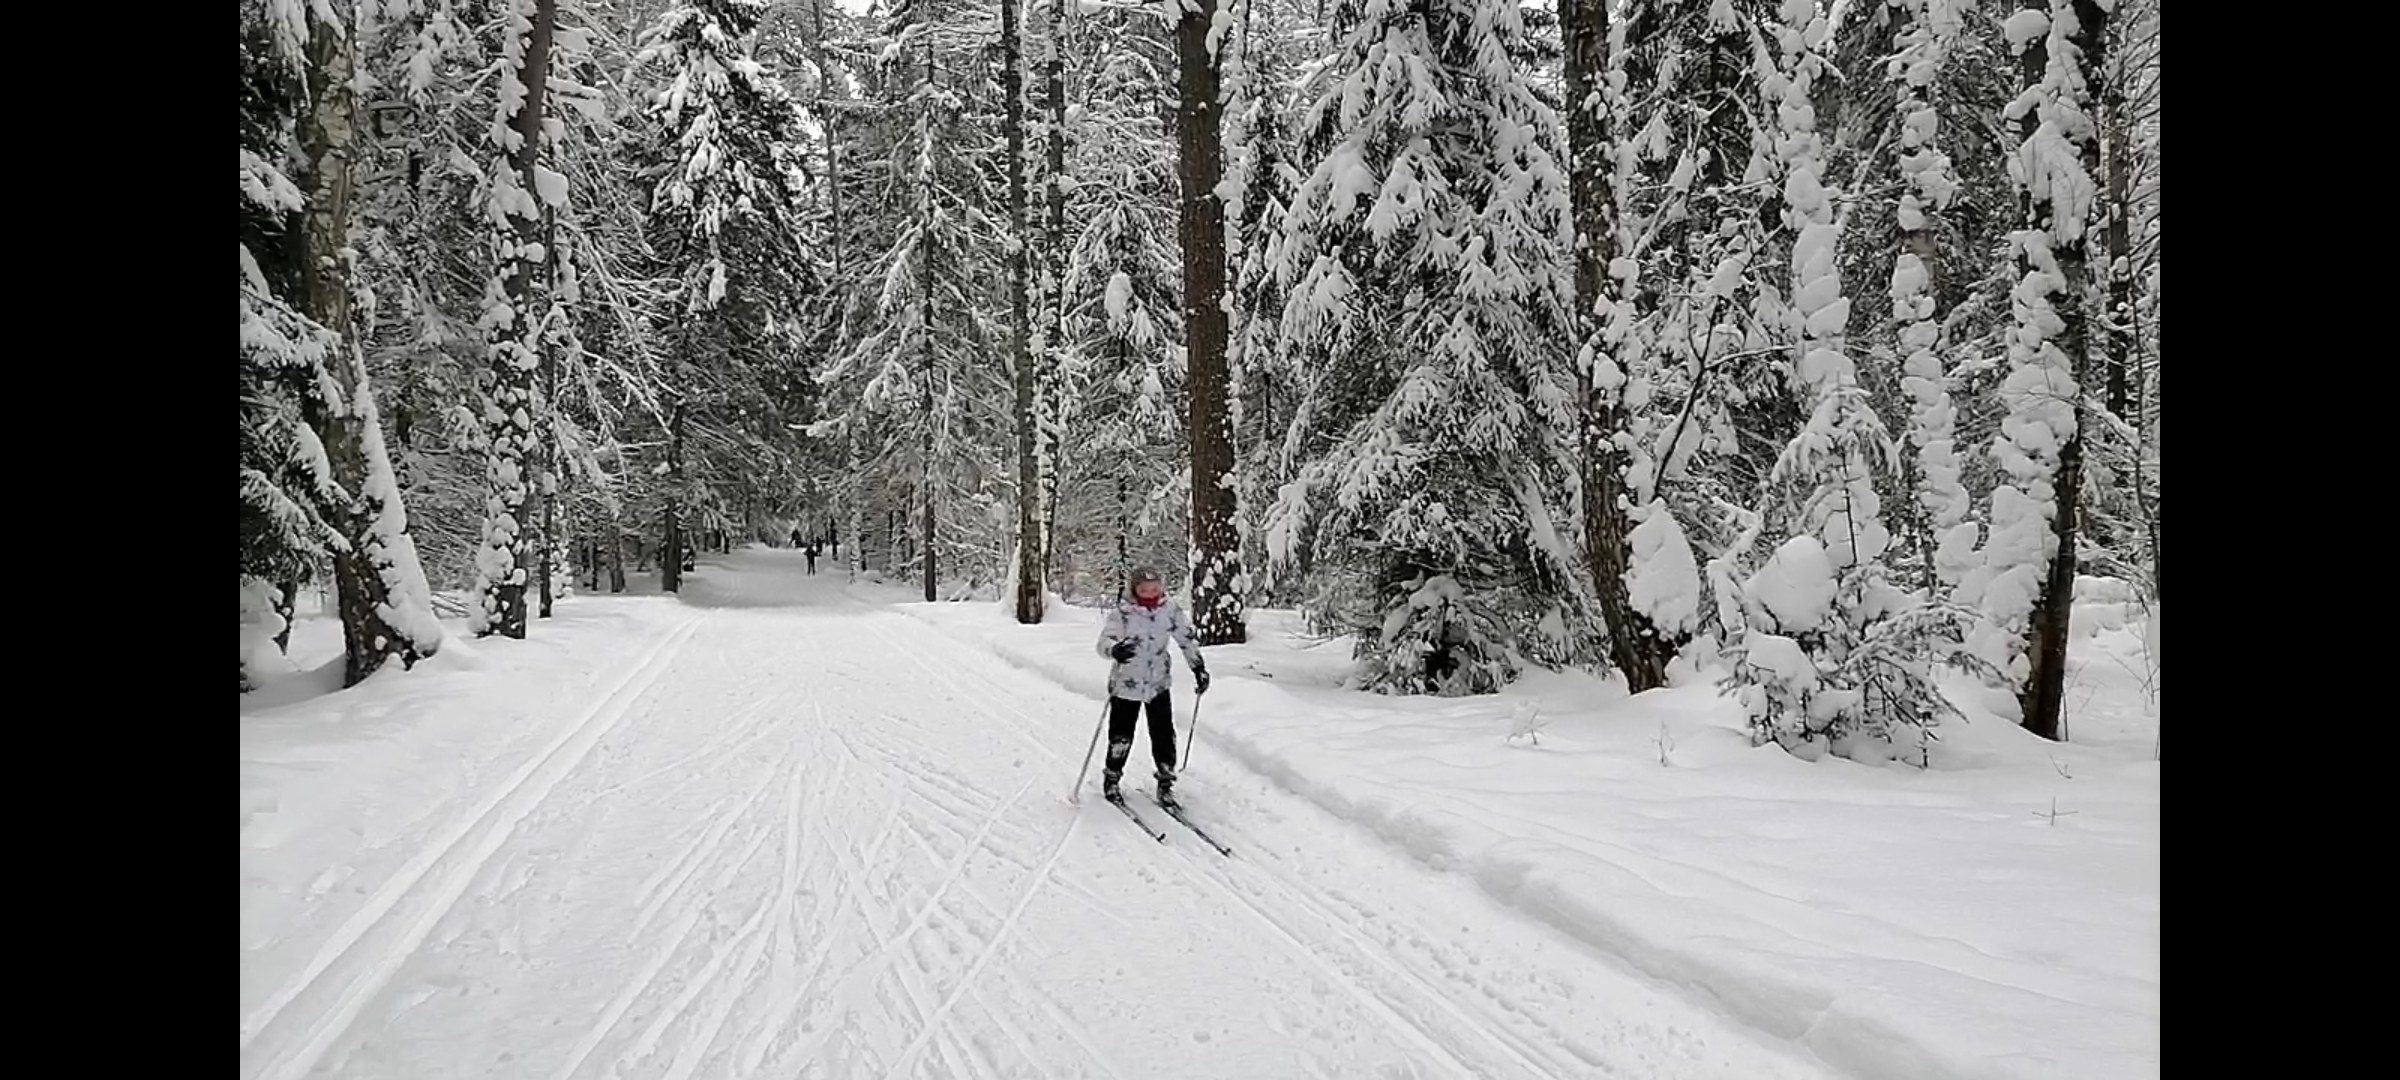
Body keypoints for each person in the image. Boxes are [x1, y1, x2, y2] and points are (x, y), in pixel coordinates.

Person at [1095, 566, 1209, 805]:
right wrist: (1114, 650)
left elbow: (1186, 639)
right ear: (1134, 590)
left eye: (1155, 588)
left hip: (1158, 683)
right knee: (1121, 735)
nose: (1150, 593)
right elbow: (1104, 641)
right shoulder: (1123, 613)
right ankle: (1112, 777)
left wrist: (1198, 667)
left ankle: (1166, 780)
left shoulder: (1170, 610)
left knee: (1164, 734)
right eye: (1144, 589)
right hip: (1126, 684)